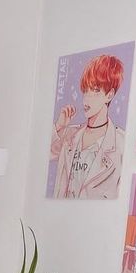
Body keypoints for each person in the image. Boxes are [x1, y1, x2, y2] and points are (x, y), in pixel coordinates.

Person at [51, 53, 125, 199]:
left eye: (96, 91)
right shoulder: (70, 134)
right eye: (86, 90)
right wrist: (59, 126)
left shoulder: (121, 143)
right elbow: (42, 155)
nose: (87, 98)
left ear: (109, 95)